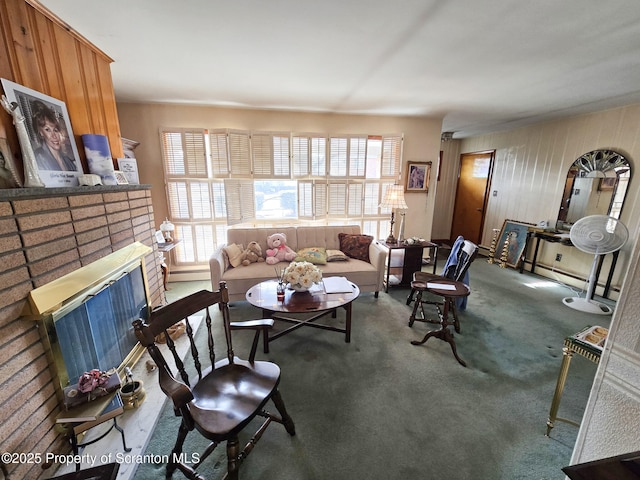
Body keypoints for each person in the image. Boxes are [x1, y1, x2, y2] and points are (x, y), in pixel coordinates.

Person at [30, 100, 77, 171]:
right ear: (40, 132)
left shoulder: (67, 160)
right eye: (47, 130)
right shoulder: (39, 158)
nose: (54, 136)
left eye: (55, 130)